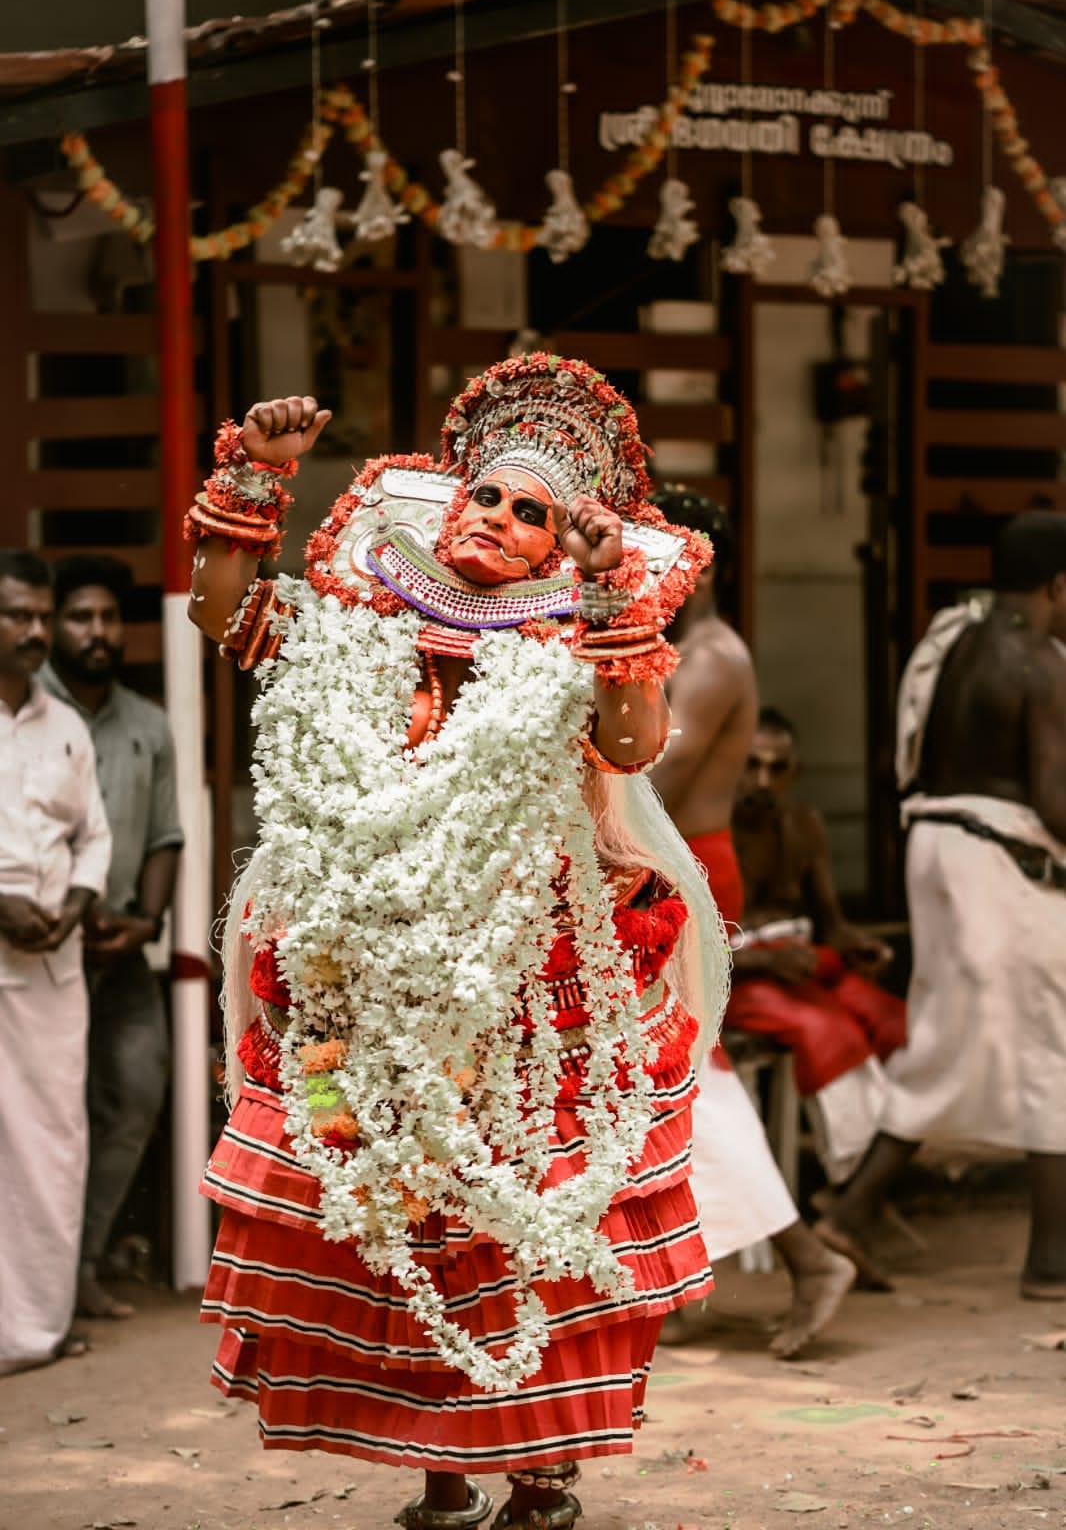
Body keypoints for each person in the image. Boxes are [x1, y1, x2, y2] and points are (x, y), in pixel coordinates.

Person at [186, 359, 732, 1530]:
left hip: (524, 989)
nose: (496, 518)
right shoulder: (356, 624)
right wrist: (253, 478)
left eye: (531, 511)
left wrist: (601, 606)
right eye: (484, 495)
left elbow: (632, 743)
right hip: (350, 975)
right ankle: (436, 1470)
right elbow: (226, 614)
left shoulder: (564, 649)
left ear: (557, 546)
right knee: (369, 1201)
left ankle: (540, 1465)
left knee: (513, 1217)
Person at [819, 511, 1066, 1298]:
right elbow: (1057, 802)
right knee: (1048, 1050)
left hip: (939, 849)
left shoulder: (951, 636)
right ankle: (1049, 1260)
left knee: (962, 1045)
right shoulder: (1040, 661)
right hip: (999, 860)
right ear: (1059, 586)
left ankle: (854, 1215)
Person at [650, 488, 855, 1359]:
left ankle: (808, 1259)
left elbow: (649, 780)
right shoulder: (677, 643)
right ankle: (656, 1280)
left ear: (698, 559)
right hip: (662, 860)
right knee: (653, 1073)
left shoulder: (711, 654)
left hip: (682, 865)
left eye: (651, 546)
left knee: (678, 1071)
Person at [40, 554, 184, 1320]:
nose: (97, 632)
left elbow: (166, 836)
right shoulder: (28, 713)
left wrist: (147, 925)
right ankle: (37, 1282)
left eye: (107, 618)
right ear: (53, 625)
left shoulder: (148, 725)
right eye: (79, 617)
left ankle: (81, 1266)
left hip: (122, 949)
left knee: (134, 1091)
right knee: (40, 1114)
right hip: (36, 949)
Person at [0, 549, 111, 1376]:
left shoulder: (67, 725)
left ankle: (33, 1328)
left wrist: (76, 902)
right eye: (18, 615)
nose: (35, 631)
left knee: (52, 1142)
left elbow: (93, 838)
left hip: (50, 969)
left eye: (42, 615)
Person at [728, 707, 906, 1188]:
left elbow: (833, 925)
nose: (762, 780)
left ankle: (879, 1172)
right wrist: (765, 959)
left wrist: (861, 948)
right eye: (752, 765)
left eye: (776, 768)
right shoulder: (708, 831)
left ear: (794, 773)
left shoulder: (804, 825)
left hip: (803, 966)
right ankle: (850, 1174)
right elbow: (685, 948)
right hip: (737, 977)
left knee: (896, 1023)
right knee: (827, 1029)